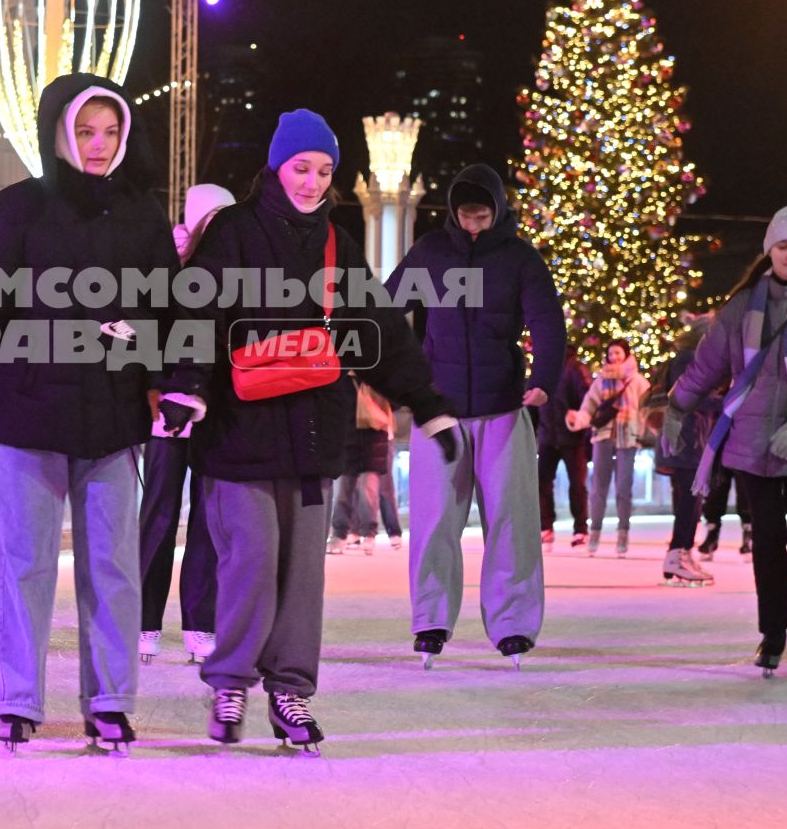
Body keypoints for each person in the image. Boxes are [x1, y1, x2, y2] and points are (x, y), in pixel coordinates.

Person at [170, 109, 457, 750]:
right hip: (238, 434)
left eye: (324, 171)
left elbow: (379, 328)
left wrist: (426, 401)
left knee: (303, 574)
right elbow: (198, 310)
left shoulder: (335, 244)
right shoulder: (234, 233)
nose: (311, 182)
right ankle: (231, 682)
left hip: (310, 437)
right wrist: (186, 386)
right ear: (276, 166)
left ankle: (291, 692)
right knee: (249, 562)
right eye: (301, 168)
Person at [0, 73, 182, 754]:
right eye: (87, 131)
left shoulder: (143, 214)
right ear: (61, 133)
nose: (99, 145)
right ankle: (14, 700)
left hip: (112, 417)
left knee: (115, 569)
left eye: (111, 132)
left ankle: (111, 701)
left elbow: (167, 311)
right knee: (20, 564)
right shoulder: (21, 208)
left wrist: (164, 380)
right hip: (27, 414)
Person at [387, 163, 567, 670]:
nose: (472, 225)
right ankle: (431, 619)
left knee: (511, 521)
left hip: (503, 409)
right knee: (433, 519)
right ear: (452, 212)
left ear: (497, 211)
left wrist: (543, 381)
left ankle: (512, 625)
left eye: (482, 216)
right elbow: (385, 307)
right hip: (439, 412)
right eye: (466, 216)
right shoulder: (430, 252)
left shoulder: (520, 259)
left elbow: (547, 323)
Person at [666, 207, 787, 678]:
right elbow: (708, 363)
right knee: (767, 543)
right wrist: (676, 405)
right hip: (753, 442)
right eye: (782, 245)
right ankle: (772, 635)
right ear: (769, 250)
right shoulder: (742, 305)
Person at [138, 184, 231, 665]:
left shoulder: (237, 272)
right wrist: (159, 388)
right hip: (169, 413)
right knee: (158, 517)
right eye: (212, 217)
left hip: (216, 413)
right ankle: (144, 622)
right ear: (194, 221)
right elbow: (147, 334)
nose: (220, 226)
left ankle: (200, 622)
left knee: (208, 524)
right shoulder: (169, 270)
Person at [649, 316, 718, 586]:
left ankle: (682, 553)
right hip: (683, 440)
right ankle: (677, 555)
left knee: (693, 499)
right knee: (689, 501)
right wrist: (724, 403)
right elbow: (686, 397)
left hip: (690, 440)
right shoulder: (687, 359)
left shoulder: (692, 359)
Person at [570, 339, 650, 557]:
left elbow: (648, 410)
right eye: (611, 353)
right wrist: (578, 419)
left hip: (628, 438)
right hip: (603, 436)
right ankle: (594, 532)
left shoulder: (638, 382)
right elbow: (588, 406)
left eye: (618, 353)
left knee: (624, 488)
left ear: (626, 354)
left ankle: (623, 534)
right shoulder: (601, 381)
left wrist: (643, 432)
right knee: (598, 488)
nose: (614, 357)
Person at [329, 378, 396, 555]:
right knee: (343, 491)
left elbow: (396, 399)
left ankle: (368, 534)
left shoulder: (378, 374)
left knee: (369, 492)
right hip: (348, 438)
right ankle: (341, 534)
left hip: (373, 437)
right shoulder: (343, 375)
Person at [537, 345, 592, 549]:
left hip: (571, 436)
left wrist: (577, 416)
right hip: (548, 436)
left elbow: (587, 398)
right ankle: (546, 526)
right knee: (542, 482)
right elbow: (534, 401)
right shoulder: (541, 368)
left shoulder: (574, 368)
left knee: (577, 483)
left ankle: (580, 528)